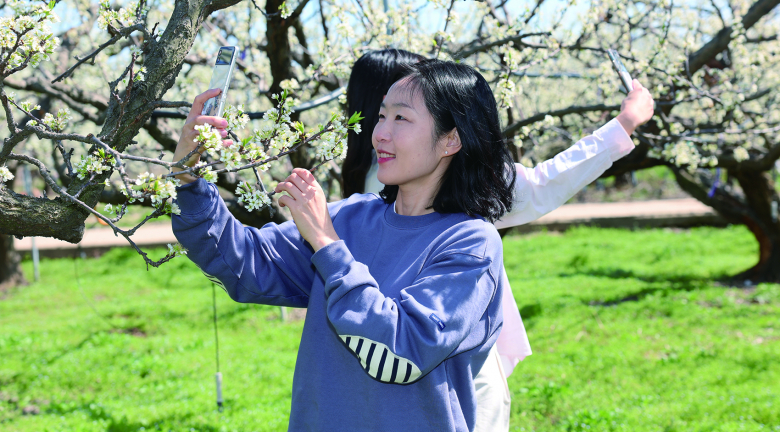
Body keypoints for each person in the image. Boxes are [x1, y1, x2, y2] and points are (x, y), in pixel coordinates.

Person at [170, 60, 517, 431]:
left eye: (401, 119)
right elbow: (237, 261)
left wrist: (325, 242)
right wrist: (188, 174)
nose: (380, 133)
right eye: (381, 116)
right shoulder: (353, 217)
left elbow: (400, 354)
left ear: (451, 139)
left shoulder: (471, 243)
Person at [341, 49, 656, 431]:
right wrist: (625, 123)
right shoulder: (427, 179)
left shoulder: (361, 184)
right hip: (450, 366)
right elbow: (540, 186)